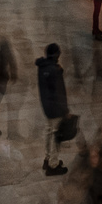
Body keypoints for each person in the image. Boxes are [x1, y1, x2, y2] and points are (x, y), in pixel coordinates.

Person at [36, 42, 69, 176]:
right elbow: (60, 92)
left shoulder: (42, 67)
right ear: (56, 54)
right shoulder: (55, 71)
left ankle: (47, 158)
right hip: (56, 107)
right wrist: (65, 110)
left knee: (48, 132)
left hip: (46, 106)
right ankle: (53, 165)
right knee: (56, 135)